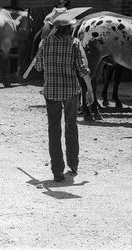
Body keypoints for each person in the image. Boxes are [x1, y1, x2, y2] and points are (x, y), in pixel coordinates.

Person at [34, 13, 94, 182]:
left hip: (51, 91)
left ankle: (57, 172)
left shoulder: (44, 43)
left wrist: (40, 53)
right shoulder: (74, 43)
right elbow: (82, 69)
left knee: (54, 130)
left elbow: (38, 67)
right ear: (69, 29)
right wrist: (90, 90)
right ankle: (73, 164)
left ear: (55, 28)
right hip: (71, 91)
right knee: (71, 127)